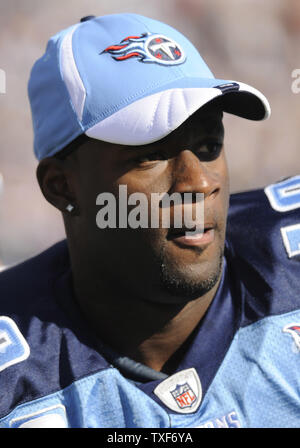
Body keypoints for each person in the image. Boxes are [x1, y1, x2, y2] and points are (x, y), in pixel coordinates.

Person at [0, 13, 299, 429]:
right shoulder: (15, 371)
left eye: (209, 144)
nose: (198, 182)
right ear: (62, 187)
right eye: (149, 155)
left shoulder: (290, 273)